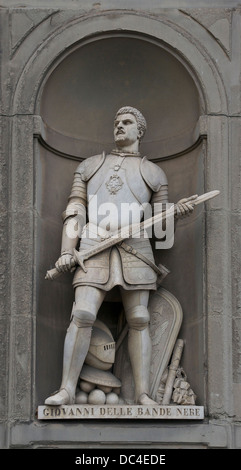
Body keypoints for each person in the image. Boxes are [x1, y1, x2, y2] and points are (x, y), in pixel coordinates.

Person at [45, 106, 193, 406]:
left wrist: (175, 213)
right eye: (116, 122)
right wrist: (65, 250)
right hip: (92, 244)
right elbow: (76, 210)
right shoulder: (89, 165)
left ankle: (142, 394)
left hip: (135, 248)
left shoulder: (154, 172)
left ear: (140, 130)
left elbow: (160, 231)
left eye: (127, 122)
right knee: (83, 314)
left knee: (139, 318)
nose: (119, 126)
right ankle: (67, 389)